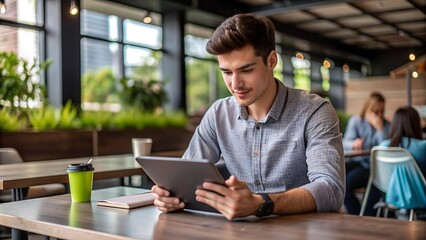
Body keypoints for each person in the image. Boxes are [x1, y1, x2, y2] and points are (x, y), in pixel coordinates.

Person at [151, 13, 344, 220]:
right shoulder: (219, 113)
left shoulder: (314, 111)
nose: (235, 84)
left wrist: (261, 204)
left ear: (271, 61)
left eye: (246, 70)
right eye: (226, 72)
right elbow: (185, 176)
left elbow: (330, 189)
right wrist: (169, 194)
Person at [343, 91, 391, 216]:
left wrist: (380, 129)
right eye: (376, 112)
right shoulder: (356, 121)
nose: (379, 115)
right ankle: (357, 213)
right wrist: (353, 143)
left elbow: (386, 148)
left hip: (372, 167)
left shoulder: (386, 126)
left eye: (382, 111)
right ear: (368, 108)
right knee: (338, 174)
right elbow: (344, 142)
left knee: (348, 182)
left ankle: (358, 216)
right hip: (357, 161)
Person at [379, 106, 426, 174]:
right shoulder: (423, 146)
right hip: (418, 184)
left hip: (388, 184)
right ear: (416, 124)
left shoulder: (382, 146)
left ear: (394, 124)